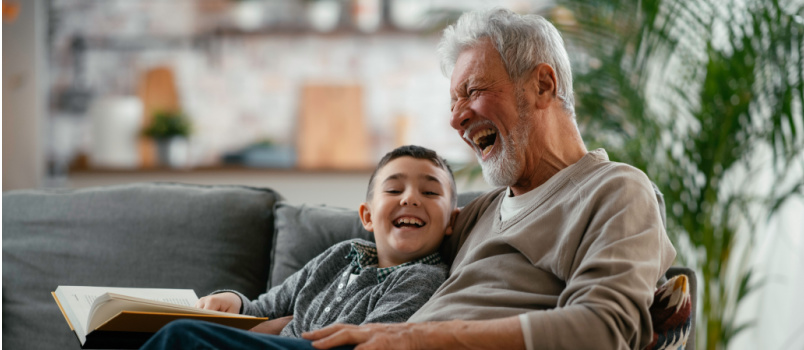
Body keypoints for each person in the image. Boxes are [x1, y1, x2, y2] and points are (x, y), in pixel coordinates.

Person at [300, 8, 676, 350]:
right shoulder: (479, 213)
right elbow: (384, 259)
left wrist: (416, 337)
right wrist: (293, 324)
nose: (456, 119)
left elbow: (604, 330)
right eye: (453, 103)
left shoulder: (617, 191)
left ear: (543, 85)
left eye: (473, 91)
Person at [140, 145, 460, 349]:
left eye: (430, 193)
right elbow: (265, 307)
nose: (410, 198)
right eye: (394, 189)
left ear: (450, 222)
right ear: (367, 216)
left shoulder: (423, 277)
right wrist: (234, 302)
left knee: (184, 337)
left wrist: (279, 331)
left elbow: (366, 343)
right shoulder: (341, 255)